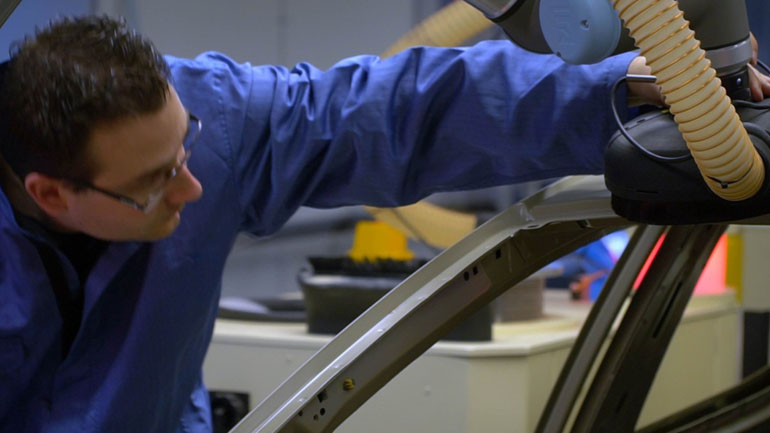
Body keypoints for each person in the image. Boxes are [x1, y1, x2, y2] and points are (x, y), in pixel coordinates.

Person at [0, 15, 767, 433]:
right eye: (154, 183)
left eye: (187, 148)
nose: (193, 187)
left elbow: (405, 110)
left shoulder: (210, 120)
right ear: (50, 193)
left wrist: (620, 88)